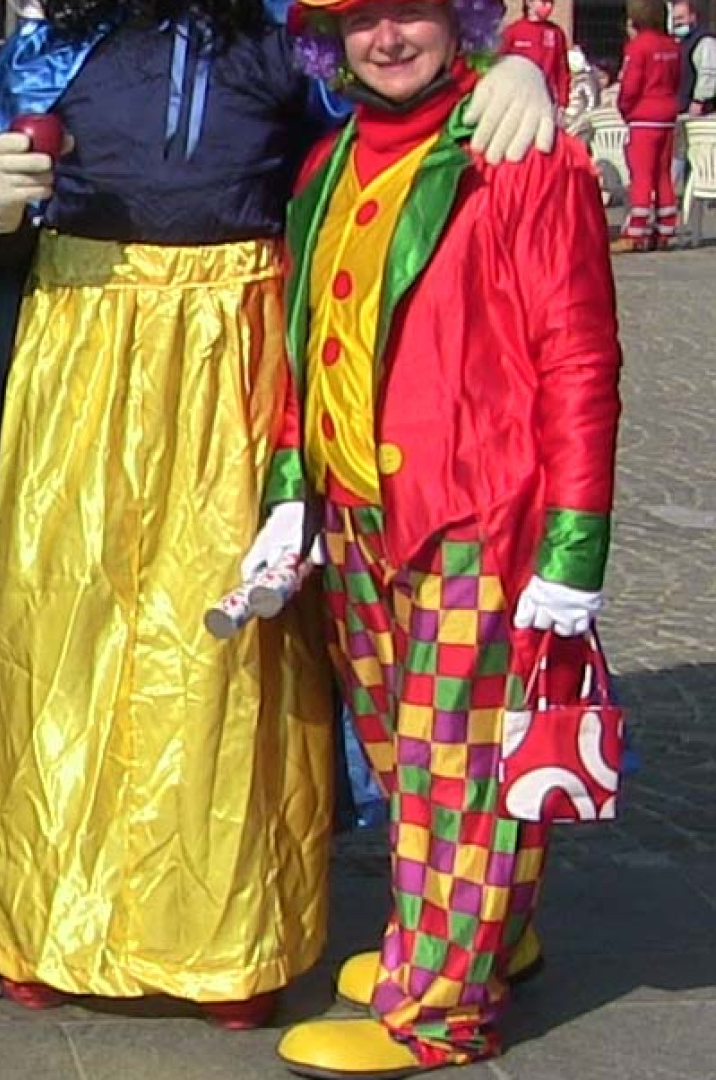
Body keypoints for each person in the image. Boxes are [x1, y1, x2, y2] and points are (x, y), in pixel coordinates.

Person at [0, 0, 557, 1028]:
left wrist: (516, 62)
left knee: (230, 660)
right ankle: (50, 928)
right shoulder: (46, 56)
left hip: (236, 374)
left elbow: (403, 107)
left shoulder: (287, 45)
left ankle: (226, 946)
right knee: (62, 644)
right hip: (77, 371)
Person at [270, 0, 621, 1072]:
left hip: (474, 512)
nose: (386, 39)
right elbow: (304, 335)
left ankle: (438, 1012)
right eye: (360, 19)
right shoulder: (328, 161)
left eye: (410, 11)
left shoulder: (520, 157)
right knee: (400, 752)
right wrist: (291, 490)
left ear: (456, 17)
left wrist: (574, 547)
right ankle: (486, 937)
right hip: (357, 515)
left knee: (452, 771)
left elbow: (579, 354)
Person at [618, 0, 683, 250]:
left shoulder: (638, 46)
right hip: (667, 114)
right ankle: (666, 227)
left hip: (643, 115)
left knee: (642, 174)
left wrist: (625, 108)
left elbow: (631, 85)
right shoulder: (672, 45)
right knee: (663, 173)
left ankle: (637, 231)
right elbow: (677, 79)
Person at [502, 0, 571, 107]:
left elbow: (562, 71)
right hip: (518, 99)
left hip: (544, 99)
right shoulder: (513, 32)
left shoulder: (556, 33)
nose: (549, 6)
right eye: (544, 2)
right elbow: (500, 67)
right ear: (529, 2)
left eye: (551, 3)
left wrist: (563, 102)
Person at [673, 0, 716, 111]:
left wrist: (699, 100)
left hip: (699, 109)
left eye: (680, 18)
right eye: (674, 19)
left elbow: (708, 73)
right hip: (682, 106)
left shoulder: (705, 41)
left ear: (692, 17)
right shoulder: (680, 41)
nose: (677, 23)